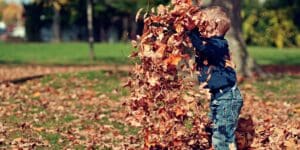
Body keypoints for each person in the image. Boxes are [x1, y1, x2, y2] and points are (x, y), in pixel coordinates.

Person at [186, 6, 243, 150]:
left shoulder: (219, 44)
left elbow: (204, 49)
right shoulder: (211, 44)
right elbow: (200, 48)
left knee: (221, 136)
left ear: (216, 30)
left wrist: (191, 31)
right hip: (219, 97)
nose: (202, 31)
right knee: (216, 130)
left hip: (227, 99)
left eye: (206, 27)